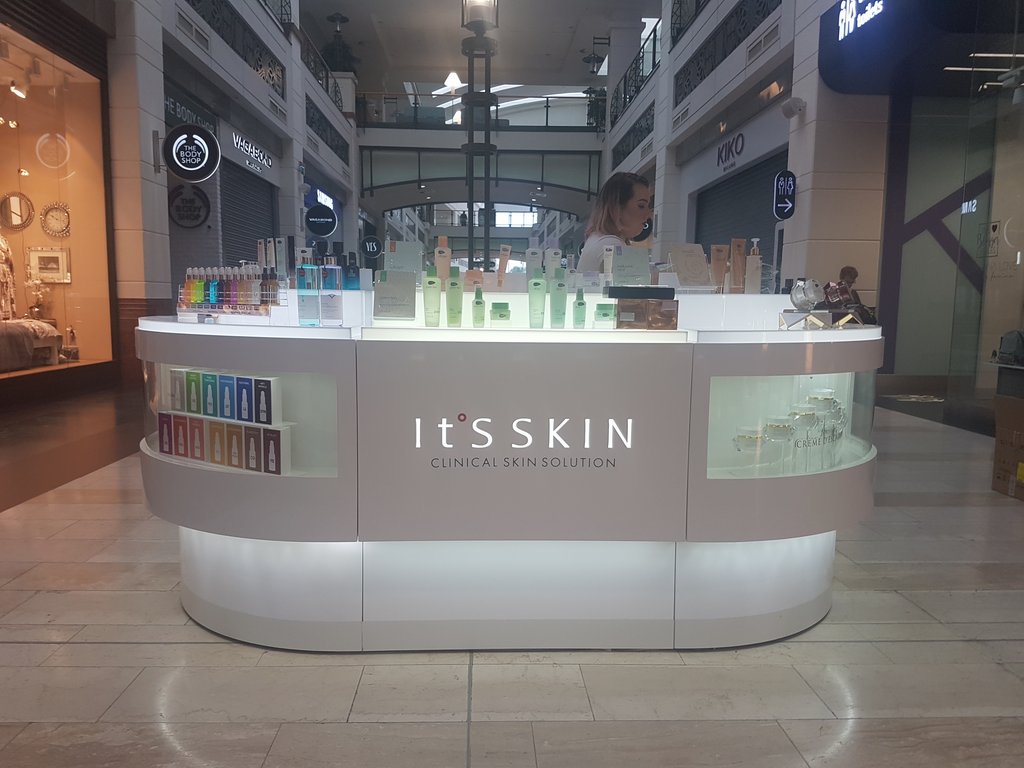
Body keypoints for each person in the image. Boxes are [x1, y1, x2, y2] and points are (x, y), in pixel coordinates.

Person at [576, 172, 652, 273]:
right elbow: (631, 281)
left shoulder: (599, 240)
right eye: (641, 206)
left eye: (648, 206)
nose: (648, 214)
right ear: (617, 208)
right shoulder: (612, 245)